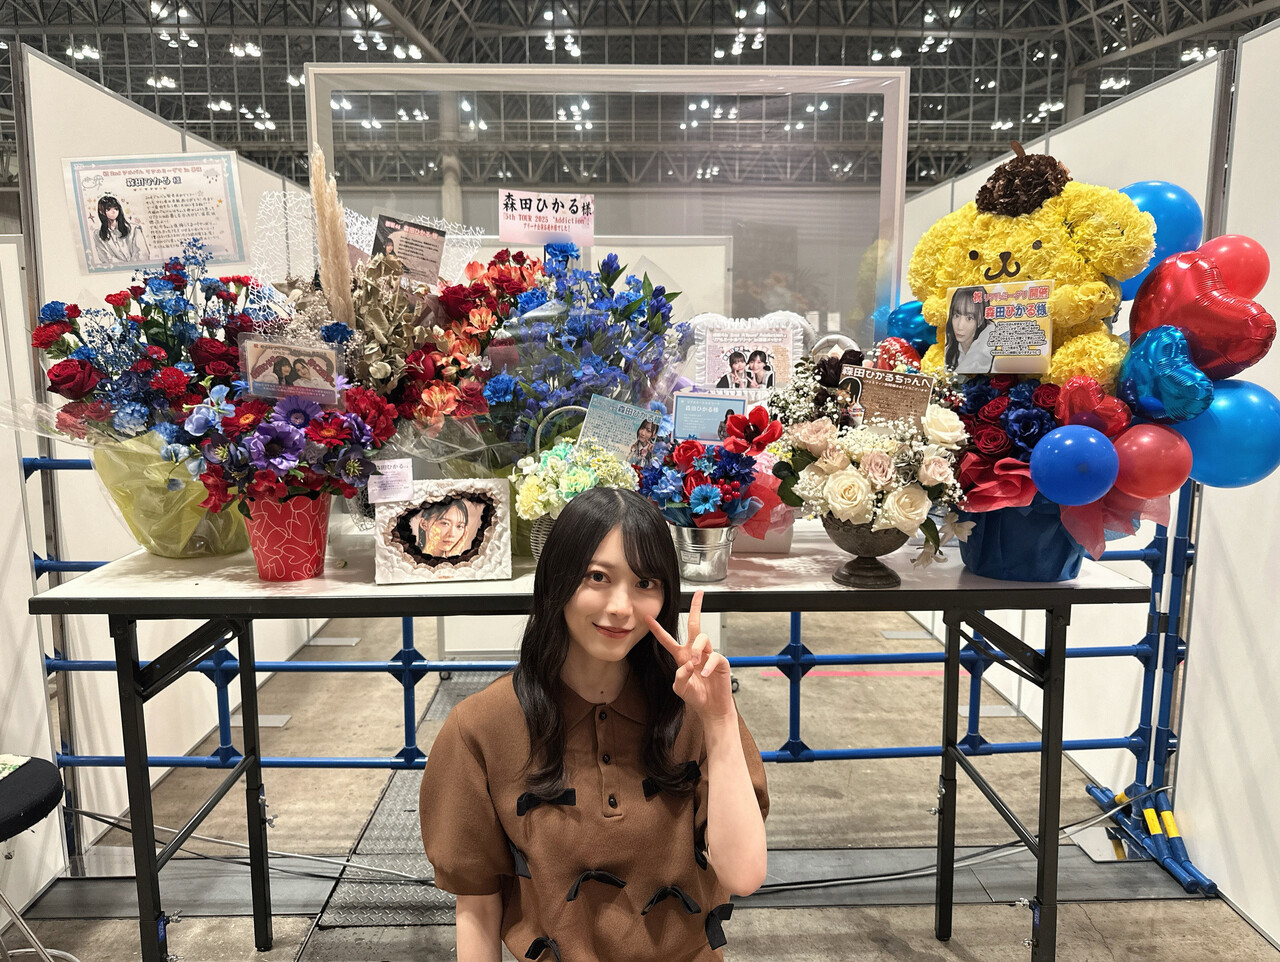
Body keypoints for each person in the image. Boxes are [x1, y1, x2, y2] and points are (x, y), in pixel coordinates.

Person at [419, 488, 768, 961]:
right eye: (597, 577)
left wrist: (719, 720)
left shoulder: (693, 707)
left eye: (645, 582)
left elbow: (743, 875)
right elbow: (477, 905)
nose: (622, 606)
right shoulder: (481, 726)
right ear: (557, 580)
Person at [945, 287, 996, 374]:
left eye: (969, 318)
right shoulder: (950, 346)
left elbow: (974, 363)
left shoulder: (990, 336)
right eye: (956, 315)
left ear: (980, 320)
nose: (960, 326)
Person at [91, 195, 150, 266]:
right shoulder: (98, 234)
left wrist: (132, 266)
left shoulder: (134, 229)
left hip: (138, 267)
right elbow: (105, 258)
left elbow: (143, 254)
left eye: (116, 208)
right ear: (101, 212)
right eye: (109, 209)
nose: (113, 212)